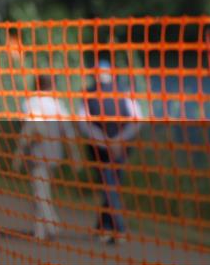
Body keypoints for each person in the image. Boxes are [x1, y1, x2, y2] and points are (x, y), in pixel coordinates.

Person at [77, 57, 143, 244]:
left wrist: (107, 141)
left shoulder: (89, 94)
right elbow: (138, 119)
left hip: (105, 148)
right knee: (111, 185)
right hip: (116, 148)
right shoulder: (121, 92)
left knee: (109, 186)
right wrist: (116, 141)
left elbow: (84, 124)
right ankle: (106, 228)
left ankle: (114, 228)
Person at [11, 74, 81, 241]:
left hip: (37, 152)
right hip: (54, 153)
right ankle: (39, 231)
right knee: (42, 189)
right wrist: (75, 155)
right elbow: (69, 132)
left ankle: (51, 223)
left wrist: (19, 153)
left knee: (39, 191)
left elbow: (28, 128)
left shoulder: (31, 102)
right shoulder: (58, 105)